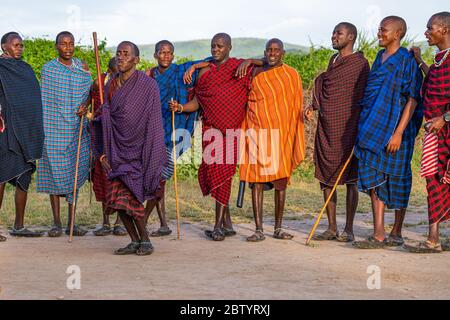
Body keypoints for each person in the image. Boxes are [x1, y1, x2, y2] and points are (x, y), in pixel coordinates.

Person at [170, 33, 261, 241]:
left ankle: (218, 226)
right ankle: (228, 225)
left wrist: (250, 60)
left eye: (220, 46)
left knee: (223, 176)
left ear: (229, 47)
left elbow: (266, 63)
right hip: (210, 130)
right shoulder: (204, 72)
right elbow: (197, 102)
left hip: (232, 131)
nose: (216, 50)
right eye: (213, 46)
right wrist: (181, 107)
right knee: (213, 175)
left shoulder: (241, 68)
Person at [352, 17, 423, 249]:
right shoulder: (378, 59)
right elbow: (373, 95)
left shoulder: (407, 60)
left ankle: (397, 231)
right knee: (373, 175)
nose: (379, 33)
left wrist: (399, 132)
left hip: (398, 130)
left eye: (384, 30)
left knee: (398, 177)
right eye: (379, 29)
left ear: (397, 33)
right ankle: (379, 232)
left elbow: (413, 98)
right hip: (374, 127)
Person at [98, 41, 166, 256]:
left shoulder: (148, 85)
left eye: (126, 54)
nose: (120, 57)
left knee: (132, 197)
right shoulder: (109, 86)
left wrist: (152, 151)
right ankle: (135, 240)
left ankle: (146, 241)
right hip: (115, 150)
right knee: (117, 201)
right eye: (118, 53)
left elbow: (153, 120)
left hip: (139, 150)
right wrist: (102, 152)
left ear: (136, 59)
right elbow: (105, 119)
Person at [305, 23, 370, 243]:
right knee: (327, 178)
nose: (333, 36)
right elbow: (324, 84)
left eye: (338, 33)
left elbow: (363, 98)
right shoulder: (333, 61)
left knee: (351, 179)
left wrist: (359, 128)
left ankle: (349, 228)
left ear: (350, 36)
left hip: (349, 129)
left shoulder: (360, 64)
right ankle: (332, 227)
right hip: (327, 127)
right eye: (333, 32)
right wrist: (312, 105)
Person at [240, 39, 306, 242]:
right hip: (256, 131)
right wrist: (252, 61)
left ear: (283, 53)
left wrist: (302, 120)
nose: (272, 53)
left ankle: (278, 228)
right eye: (269, 50)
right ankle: (259, 229)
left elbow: (295, 103)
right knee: (256, 181)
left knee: (280, 182)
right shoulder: (255, 72)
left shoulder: (291, 74)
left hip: (282, 135)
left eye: (276, 50)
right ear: (264, 52)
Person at [144, 40, 208, 237]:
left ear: (173, 55)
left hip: (177, 130)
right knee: (158, 178)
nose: (165, 56)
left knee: (161, 176)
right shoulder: (150, 74)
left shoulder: (182, 70)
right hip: (154, 131)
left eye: (169, 53)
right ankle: (163, 224)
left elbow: (211, 61)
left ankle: (143, 219)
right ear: (155, 55)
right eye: (161, 53)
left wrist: (195, 66)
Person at [36, 31, 92, 237]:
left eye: (71, 44)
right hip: (53, 128)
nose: (68, 48)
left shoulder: (82, 68)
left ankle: (72, 223)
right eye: (63, 44)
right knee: (54, 173)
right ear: (56, 46)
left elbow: (90, 93)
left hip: (76, 128)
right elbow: (45, 100)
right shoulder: (49, 69)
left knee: (74, 172)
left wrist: (85, 105)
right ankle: (57, 223)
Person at [406, 12, 450, 253]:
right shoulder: (439, 61)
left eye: (430, 28)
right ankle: (433, 238)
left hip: (444, 128)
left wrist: (444, 118)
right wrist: (420, 60)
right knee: (433, 179)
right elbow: (433, 78)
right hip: (435, 134)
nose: (426, 32)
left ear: (443, 30)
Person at [0, 32, 45, 239]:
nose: (20, 48)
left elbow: (33, 97)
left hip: (27, 131)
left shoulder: (26, 69)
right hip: (5, 129)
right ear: (4, 47)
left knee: (24, 176)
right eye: (16, 45)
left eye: (21, 45)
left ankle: (19, 226)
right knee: (1, 175)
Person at [91, 57, 127, 237]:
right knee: (104, 180)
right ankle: (105, 222)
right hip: (104, 139)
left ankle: (120, 223)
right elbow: (93, 105)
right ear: (108, 72)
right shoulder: (99, 83)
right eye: (112, 73)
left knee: (122, 181)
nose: (115, 77)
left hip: (123, 141)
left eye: (118, 74)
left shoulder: (128, 85)